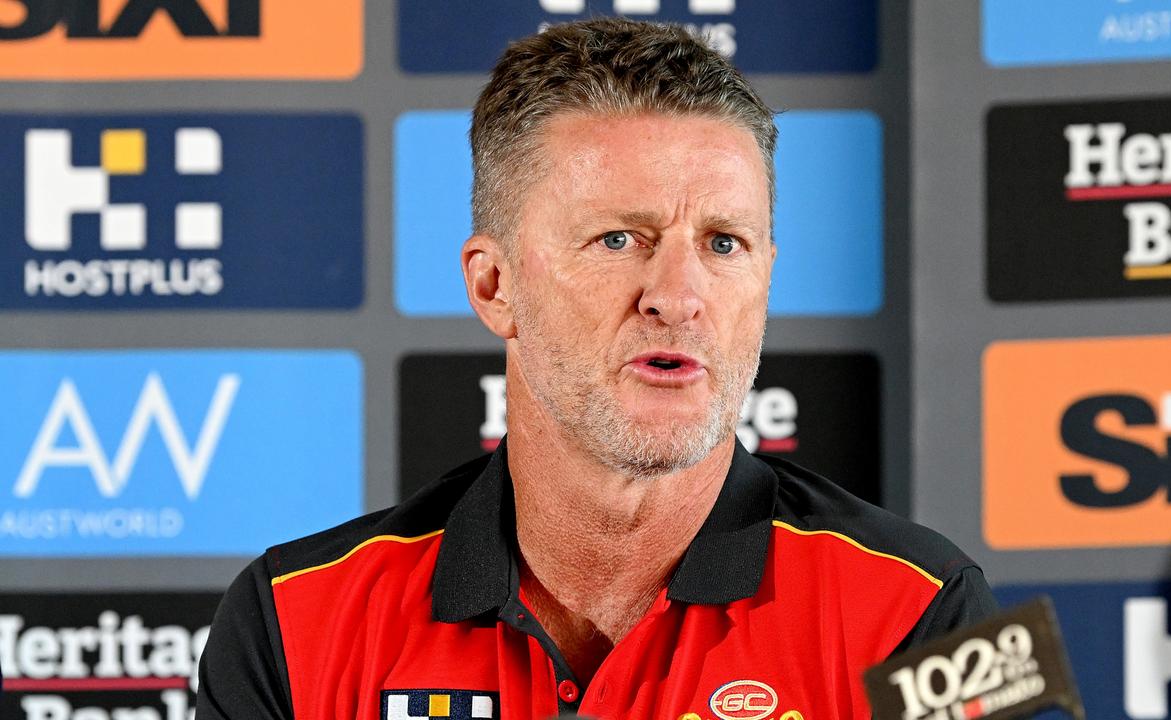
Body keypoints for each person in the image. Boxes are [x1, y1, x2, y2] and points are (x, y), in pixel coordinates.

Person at [195, 17, 996, 720]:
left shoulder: (927, 615)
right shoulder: (293, 622)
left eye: (724, 244)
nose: (679, 298)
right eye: (619, 240)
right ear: (493, 285)